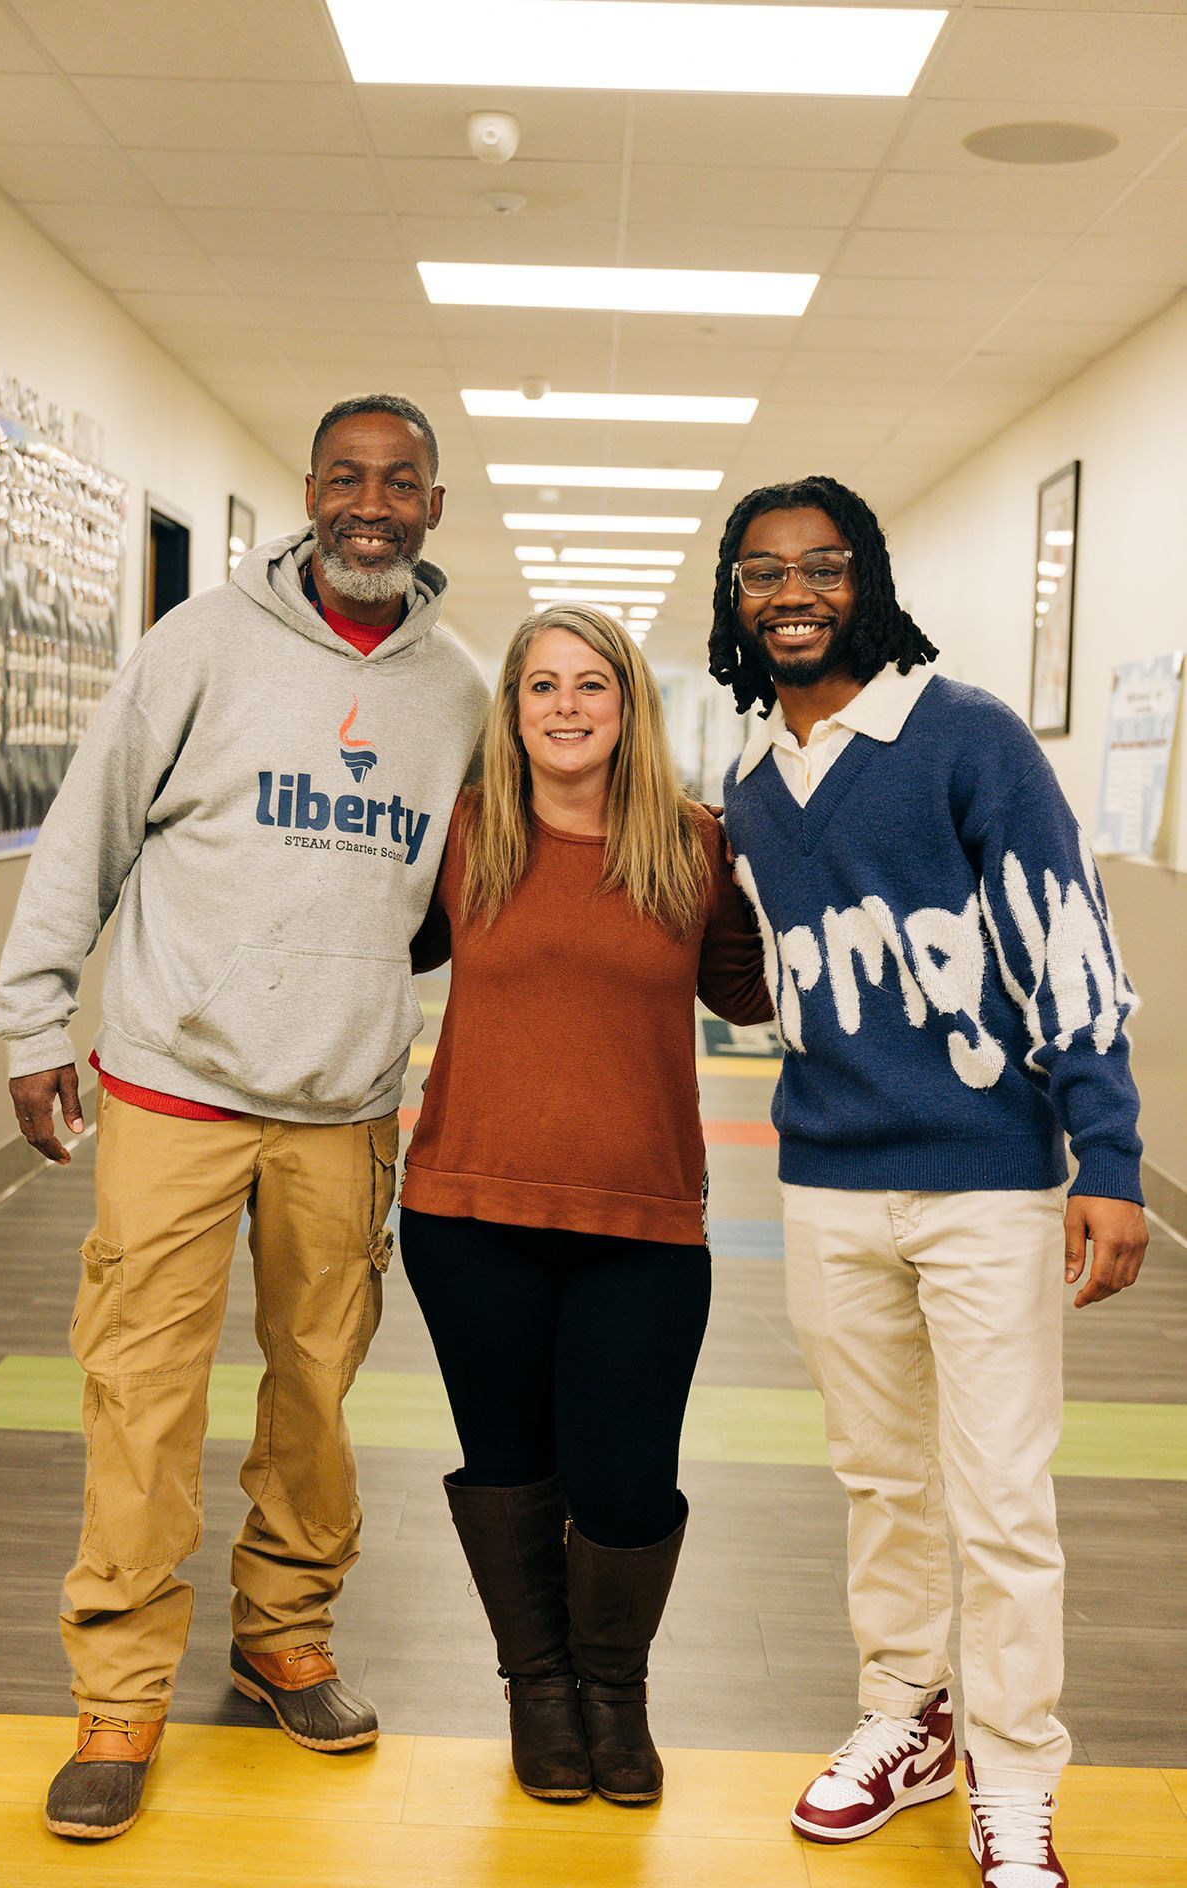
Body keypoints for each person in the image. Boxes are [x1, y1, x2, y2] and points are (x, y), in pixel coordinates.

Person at [0, 393, 489, 1840]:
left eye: (399, 483)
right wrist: (33, 1019)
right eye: (346, 477)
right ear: (312, 491)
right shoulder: (199, 643)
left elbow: (458, 887)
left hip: (345, 1101)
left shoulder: (461, 689)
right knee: (140, 1391)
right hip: (174, 1086)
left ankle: (285, 1635)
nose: (370, 505)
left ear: (434, 508)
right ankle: (118, 1693)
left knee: (317, 1391)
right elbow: (87, 830)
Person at [711, 475, 1147, 1888]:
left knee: (1001, 1500)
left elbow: (1066, 943)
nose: (793, 592)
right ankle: (908, 1716)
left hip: (985, 1184)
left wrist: (1108, 1153)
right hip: (828, 1184)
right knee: (880, 1481)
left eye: (822, 566)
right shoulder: (753, 784)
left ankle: (1015, 1778)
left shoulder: (967, 736)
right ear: (735, 600)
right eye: (763, 571)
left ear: (869, 583)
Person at [397, 603, 772, 1806]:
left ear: (628, 704)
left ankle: (615, 1691)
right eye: (543, 685)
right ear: (511, 710)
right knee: (509, 1466)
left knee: (626, 1482)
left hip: (644, 1225)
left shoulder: (695, 846)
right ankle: (540, 1691)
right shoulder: (464, 833)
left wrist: (807, 852)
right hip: (469, 1212)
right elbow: (361, 938)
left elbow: (757, 991)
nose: (567, 706)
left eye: (591, 683)